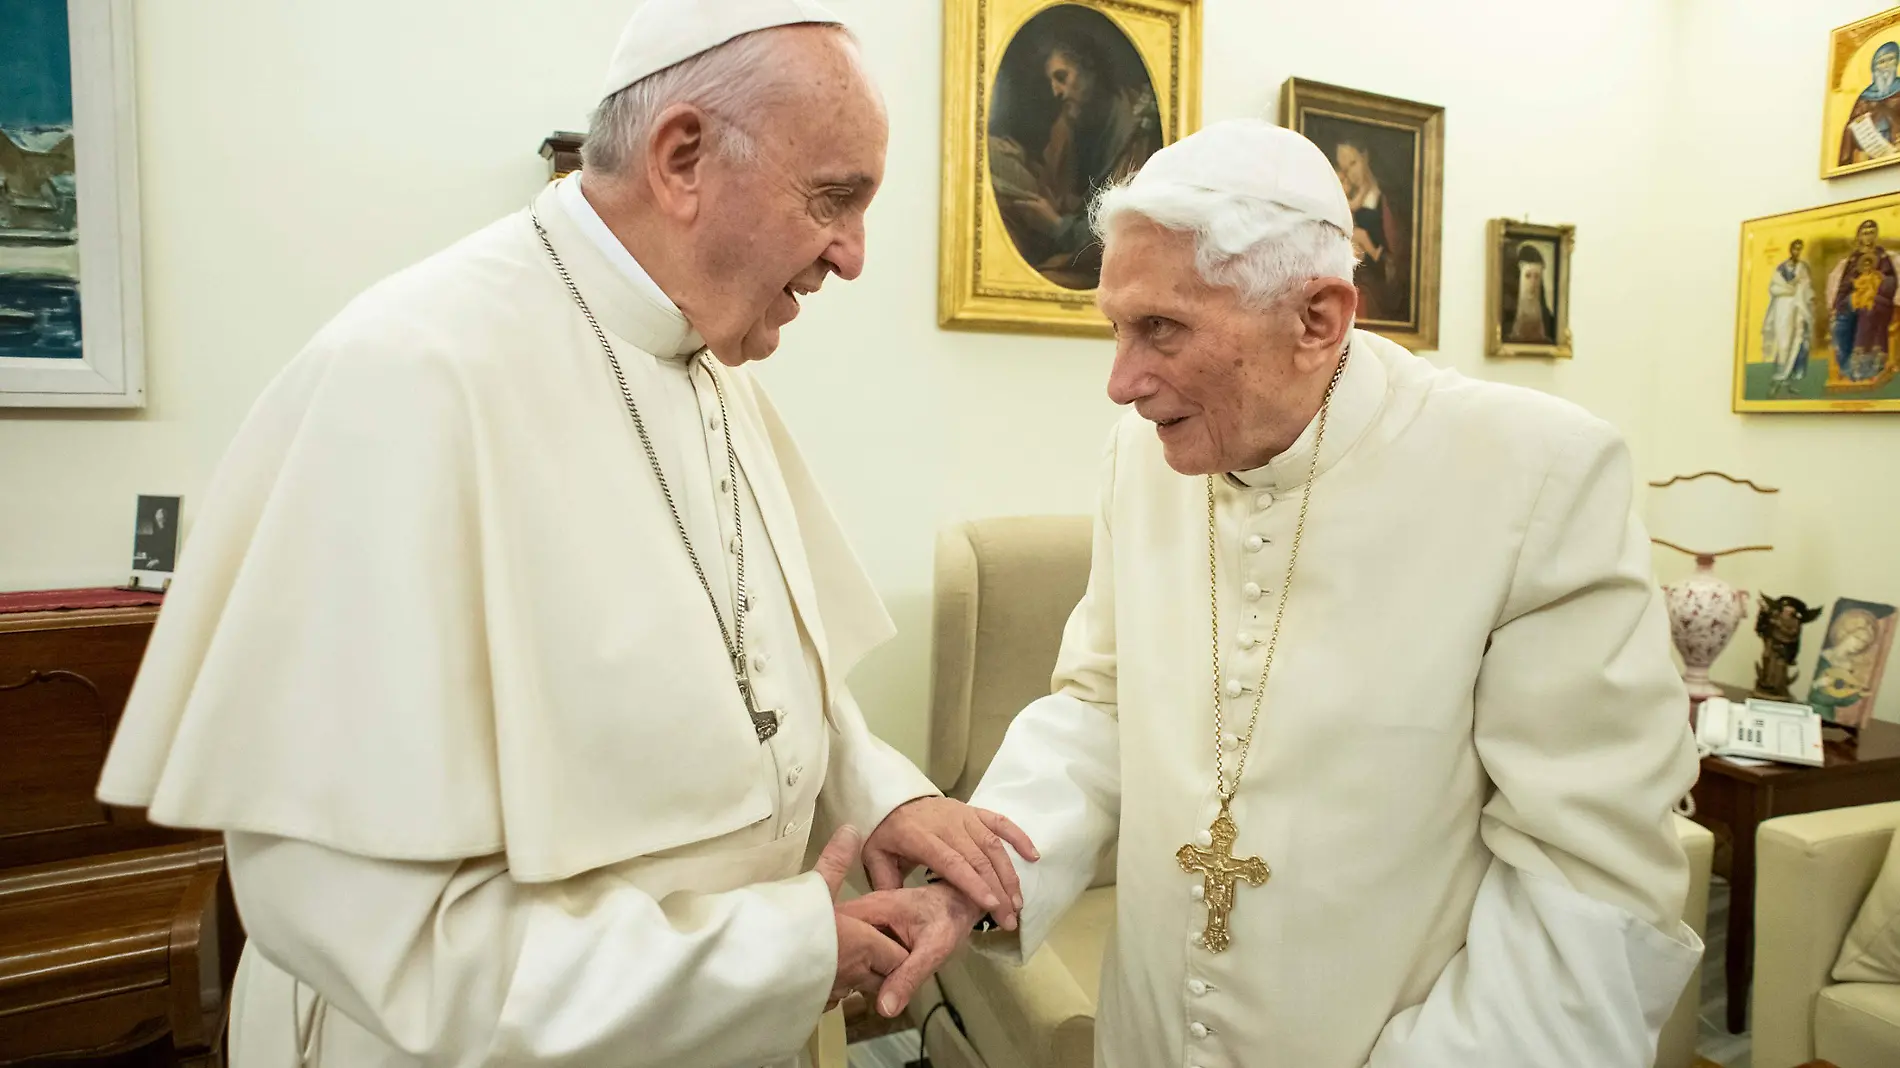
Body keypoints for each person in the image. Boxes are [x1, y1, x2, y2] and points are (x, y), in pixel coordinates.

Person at [95, 2, 1031, 1066]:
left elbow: (764, 681)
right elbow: (377, 932)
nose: (853, 256)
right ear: (682, 157)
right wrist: (782, 950)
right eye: (833, 199)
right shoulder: (409, 378)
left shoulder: (701, 357)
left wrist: (883, 794)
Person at [879, 119, 1703, 1066]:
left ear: (1318, 318)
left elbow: (1590, 880)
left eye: (1161, 329)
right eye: (1116, 326)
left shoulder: (1537, 476)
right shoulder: (1143, 458)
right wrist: (976, 880)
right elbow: (1102, 708)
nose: (1120, 382)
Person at [992, 30, 1160, 288]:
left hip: (1106, 262)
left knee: (1042, 280)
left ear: (1090, 68)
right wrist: (1017, 160)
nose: (1056, 92)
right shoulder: (1067, 126)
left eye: (1062, 77)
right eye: (1052, 83)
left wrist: (1057, 226)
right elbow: (1054, 190)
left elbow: (1125, 227)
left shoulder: (1137, 128)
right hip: (1072, 250)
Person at [1333, 139, 1408, 321]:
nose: (1351, 174)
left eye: (1353, 163)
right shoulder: (1344, 203)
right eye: (1345, 169)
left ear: (1365, 157)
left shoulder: (1391, 199)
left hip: (1386, 295)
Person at [1828, 218, 1898, 384]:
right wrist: (1838, 305)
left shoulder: (1882, 256)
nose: (1868, 236)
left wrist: (1876, 289)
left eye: (1872, 233)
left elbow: (1891, 280)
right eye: (1865, 233)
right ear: (1859, 236)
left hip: (1877, 299)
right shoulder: (1853, 259)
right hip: (1854, 298)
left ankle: (1866, 368)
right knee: (1840, 323)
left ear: (1876, 235)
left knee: (1868, 313)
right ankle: (1845, 365)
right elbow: (1845, 283)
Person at [1763, 238, 1815, 397]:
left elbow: (1806, 286)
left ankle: (1786, 380)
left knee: (1796, 340)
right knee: (1783, 342)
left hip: (1797, 307)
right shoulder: (1781, 268)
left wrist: (1803, 294)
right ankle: (1778, 378)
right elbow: (1774, 287)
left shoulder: (1802, 268)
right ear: (1790, 249)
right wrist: (1789, 288)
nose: (1797, 252)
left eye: (1800, 249)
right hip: (1783, 308)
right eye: (1795, 248)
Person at [1839, 40, 1900, 166]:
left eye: (1891, 59)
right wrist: (1855, 125)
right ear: (1874, 67)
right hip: (1868, 154)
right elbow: (1850, 129)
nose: (1886, 65)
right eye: (1881, 62)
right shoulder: (1865, 97)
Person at [1503, 242, 1556, 344]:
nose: (1533, 283)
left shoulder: (1549, 321)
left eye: (1537, 277)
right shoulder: (1505, 317)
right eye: (1527, 276)